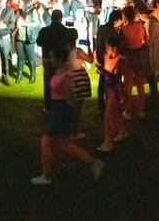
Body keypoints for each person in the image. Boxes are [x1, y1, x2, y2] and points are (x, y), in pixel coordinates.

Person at [31, 36, 105, 185]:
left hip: (61, 110)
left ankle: (47, 175)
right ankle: (93, 163)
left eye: (52, 57)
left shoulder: (66, 74)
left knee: (47, 141)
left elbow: (70, 95)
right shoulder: (59, 70)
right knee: (63, 144)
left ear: (58, 58)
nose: (50, 60)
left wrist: (69, 115)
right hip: (58, 109)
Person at [95, 36, 128, 153]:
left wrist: (103, 71)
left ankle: (108, 143)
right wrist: (102, 72)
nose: (106, 50)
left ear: (115, 48)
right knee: (116, 112)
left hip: (115, 89)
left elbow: (116, 77)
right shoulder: (106, 56)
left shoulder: (120, 60)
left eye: (108, 48)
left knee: (108, 115)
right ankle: (123, 132)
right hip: (107, 88)